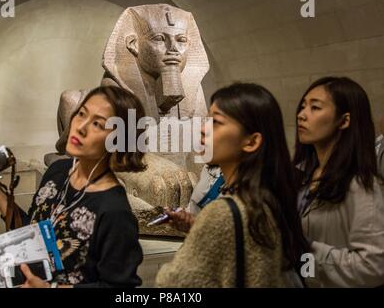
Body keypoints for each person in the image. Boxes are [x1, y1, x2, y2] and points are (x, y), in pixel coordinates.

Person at [0, 86, 147, 288]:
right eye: (81, 114)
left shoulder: (115, 210)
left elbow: (121, 288)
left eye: (97, 123)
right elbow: (31, 234)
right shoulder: (58, 171)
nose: (80, 126)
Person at [156, 83, 309, 287]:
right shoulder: (267, 199)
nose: (203, 129)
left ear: (251, 142)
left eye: (216, 122)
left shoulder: (224, 212)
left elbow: (172, 286)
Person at [294, 76, 384, 287]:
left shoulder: (360, 185)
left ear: (344, 120)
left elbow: (373, 265)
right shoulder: (304, 175)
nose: (301, 115)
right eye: (303, 106)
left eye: (315, 108)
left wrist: (305, 250)